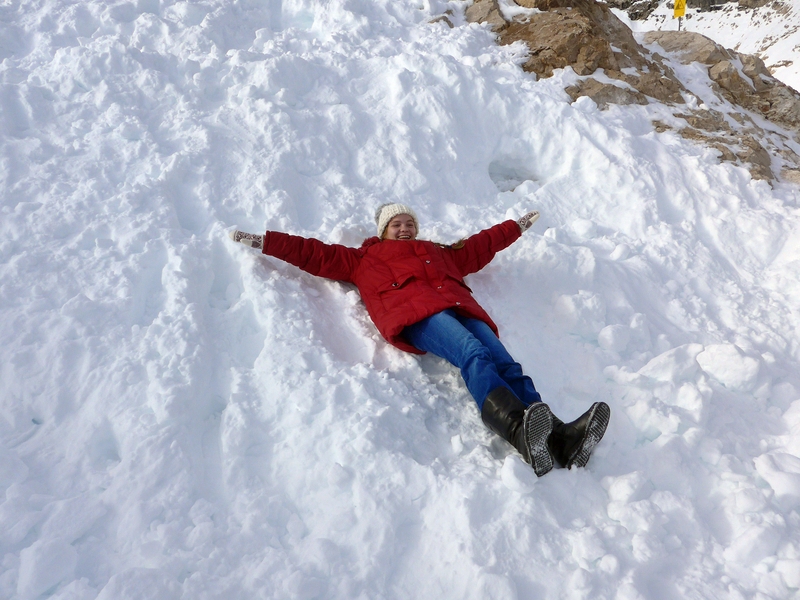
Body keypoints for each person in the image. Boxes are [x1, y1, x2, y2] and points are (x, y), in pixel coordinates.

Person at [229, 203, 610, 476]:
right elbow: (311, 253)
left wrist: (514, 227)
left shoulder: (439, 253)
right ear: (383, 230)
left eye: (410, 223)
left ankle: (560, 438)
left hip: (460, 307)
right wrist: (264, 241)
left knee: (508, 365)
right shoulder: (362, 260)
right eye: (397, 223)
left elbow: (477, 247)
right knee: (473, 354)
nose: (405, 228)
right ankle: (519, 431)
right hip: (418, 314)